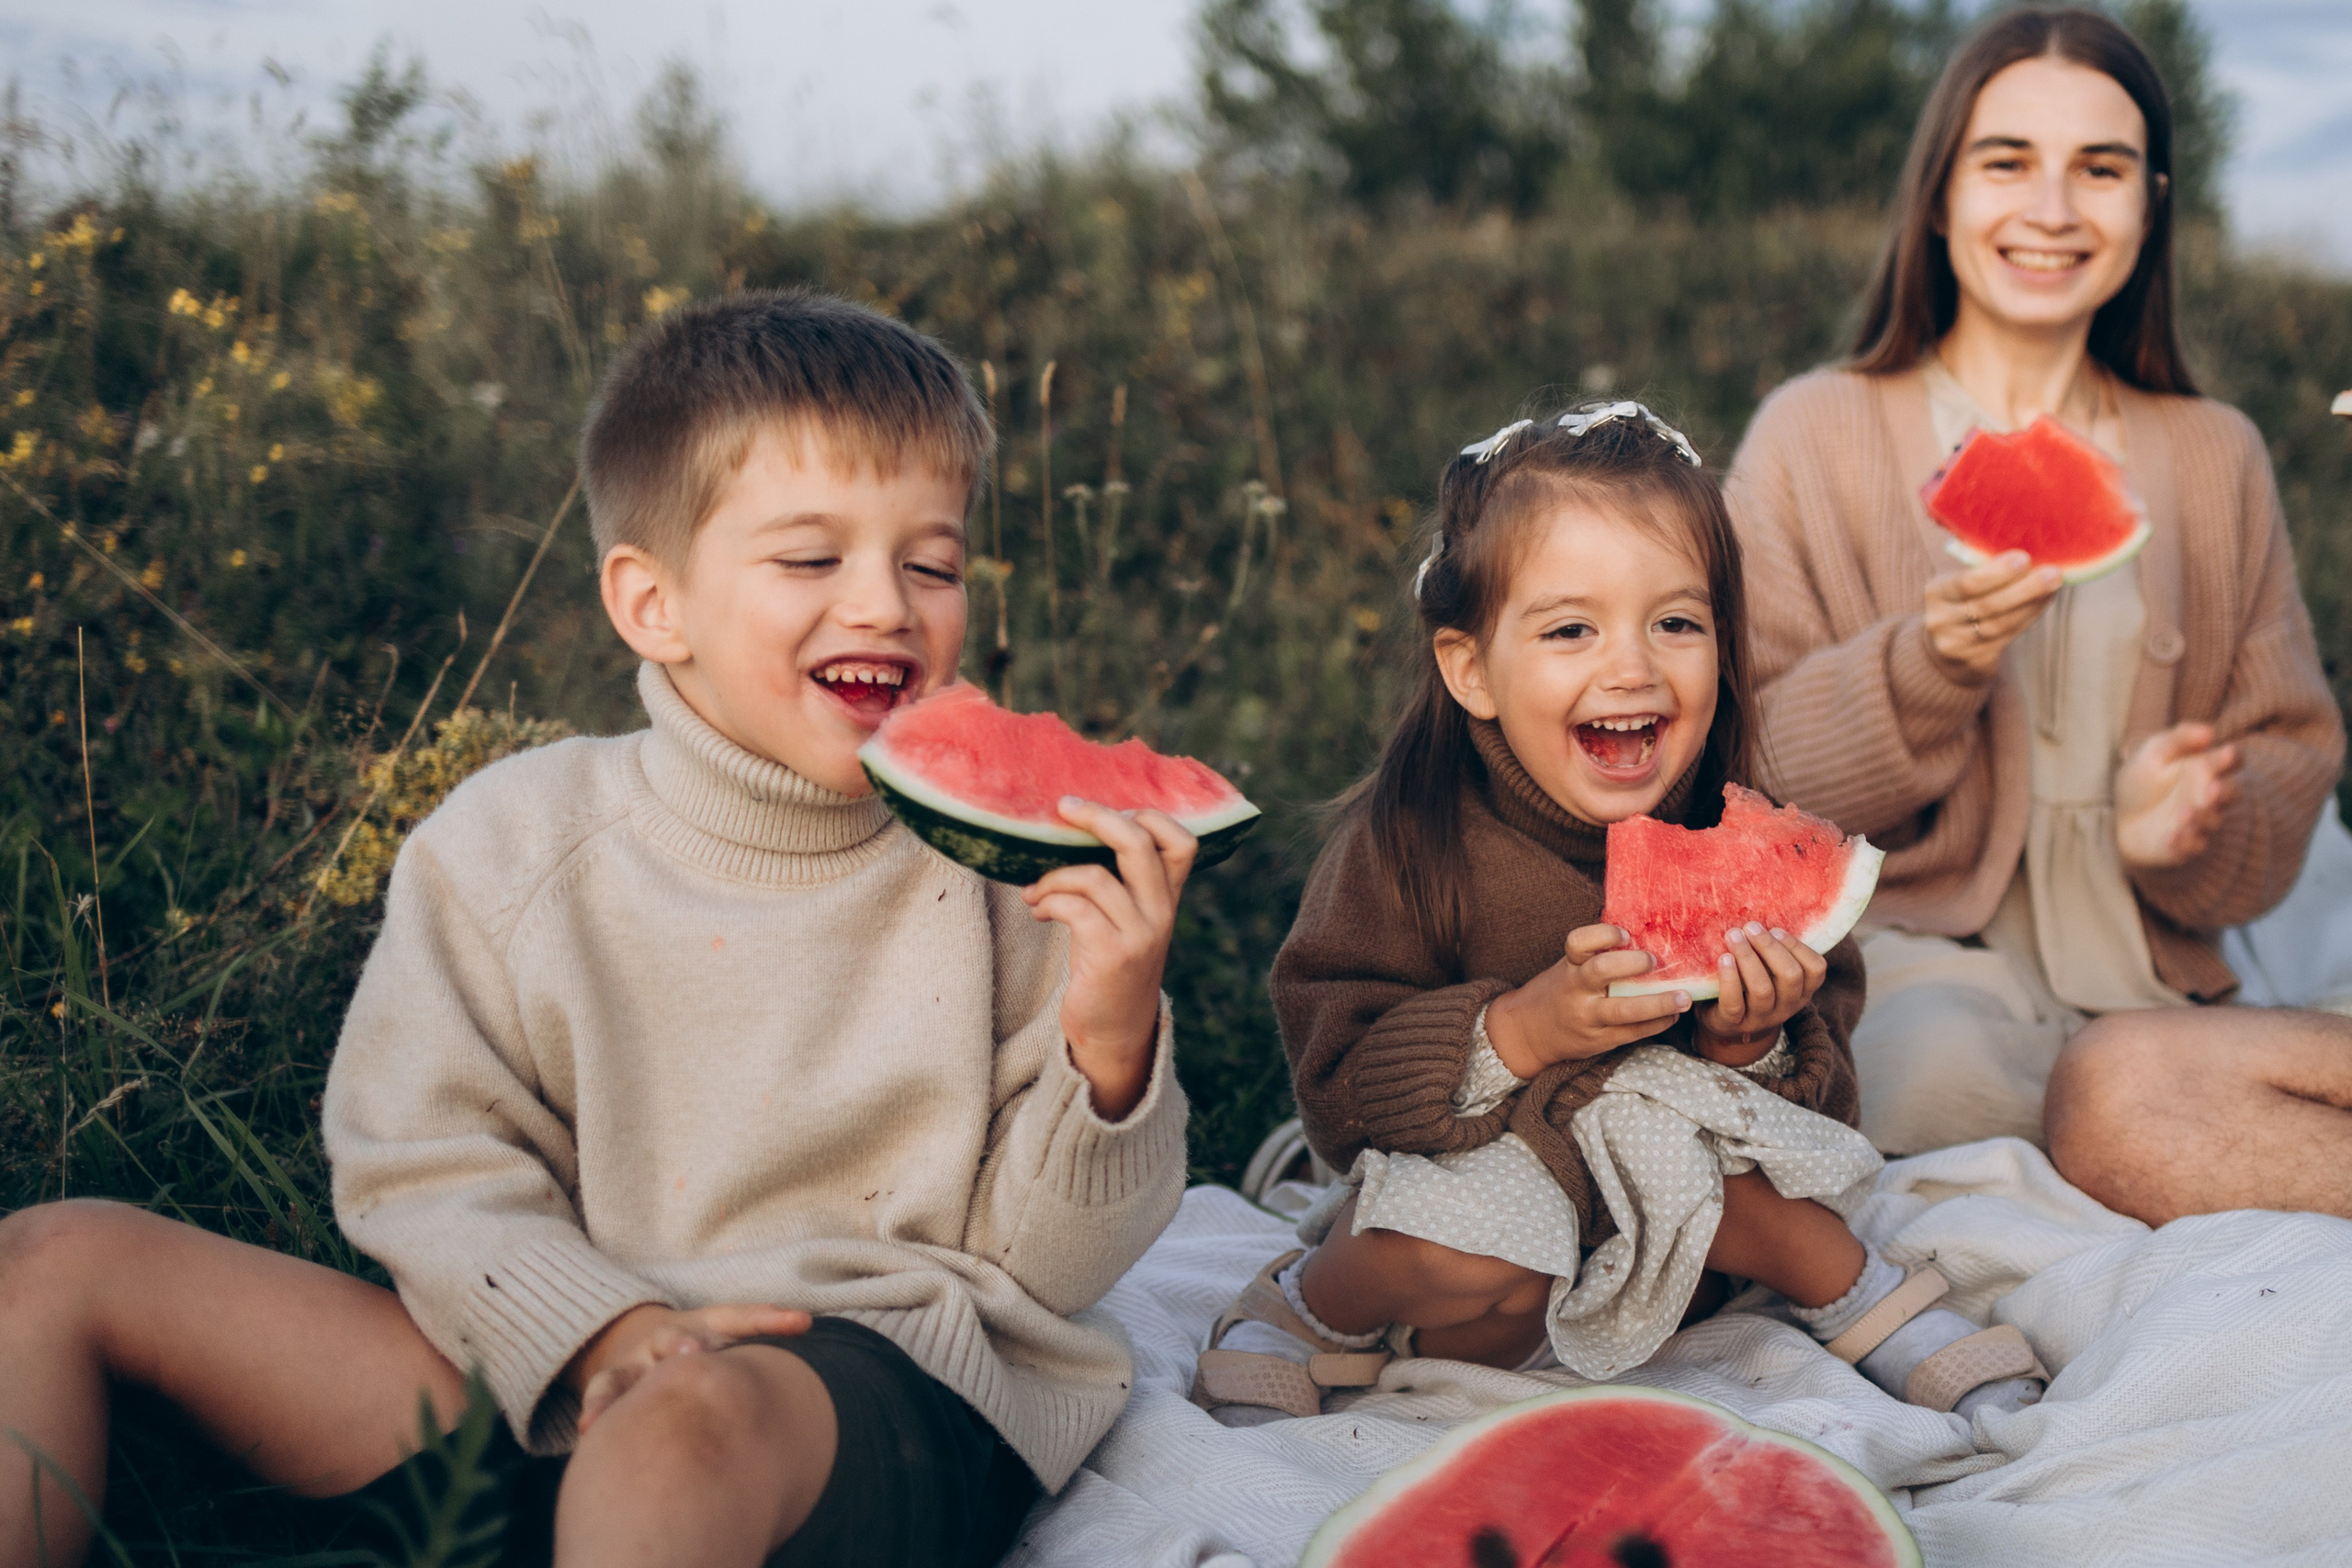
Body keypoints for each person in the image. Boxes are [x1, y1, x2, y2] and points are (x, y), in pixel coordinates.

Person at [0, 291, 1197, 1568]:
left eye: (933, 562)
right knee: (57, 1255)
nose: (886, 604)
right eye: (810, 558)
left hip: (859, 1389)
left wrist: (1111, 1035)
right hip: (547, 1361)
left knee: (681, 1423)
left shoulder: (1010, 872)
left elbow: (1045, 1269)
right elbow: (425, 1160)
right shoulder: (511, 841)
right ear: (652, 602)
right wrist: (596, 1330)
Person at [1188, 401, 2047, 1430]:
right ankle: (1307, 1306)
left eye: (1676, 623)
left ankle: (1859, 1294)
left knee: (1771, 1215)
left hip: (1674, 1234)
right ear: (1470, 669)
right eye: (1569, 630)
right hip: (1480, 1225)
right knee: (1461, 1249)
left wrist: (1752, 1043)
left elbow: (1824, 1108)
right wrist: (1518, 1030)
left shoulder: (1733, 830)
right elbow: (1336, 1076)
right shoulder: (1404, 844)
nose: (1632, 665)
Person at [1724, 7, 2348, 1224]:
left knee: (2108, 1091)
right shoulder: (1816, 431)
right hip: (1920, 962)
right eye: (2007, 160)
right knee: (1929, 1084)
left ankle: (2127, 1133)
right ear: (1941, 193)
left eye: (2101, 169)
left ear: (2152, 203)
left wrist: (2194, 832)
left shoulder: (2214, 453)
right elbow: (1751, 777)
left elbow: (2291, 750)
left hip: (2159, 972)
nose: (2053, 208)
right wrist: (1925, 668)